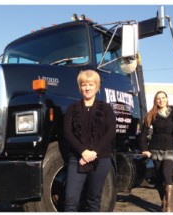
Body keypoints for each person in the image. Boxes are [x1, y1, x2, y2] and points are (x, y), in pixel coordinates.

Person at [63, 70, 116, 212]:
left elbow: (111, 132)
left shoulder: (106, 108)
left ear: (97, 87)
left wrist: (94, 152)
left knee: (93, 200)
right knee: (70, 201)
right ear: (80, 87)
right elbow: (67, 133)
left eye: (91, 84)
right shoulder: (72, 109)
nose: (87, 88)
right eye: (84, 84)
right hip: (77, 159)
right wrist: (83, 152)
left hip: (100, 159)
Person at [139, 91, 173, 212]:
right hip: (155, 149)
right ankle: (164, 201)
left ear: (167, 99)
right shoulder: (152, 114)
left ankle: (169, 208)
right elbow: (143, 134)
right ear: (155, 101)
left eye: (163, 98)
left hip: (171, 148)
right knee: (159, 179)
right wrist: (144, 149)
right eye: (158, 98)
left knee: (166, 174)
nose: (161, 100)